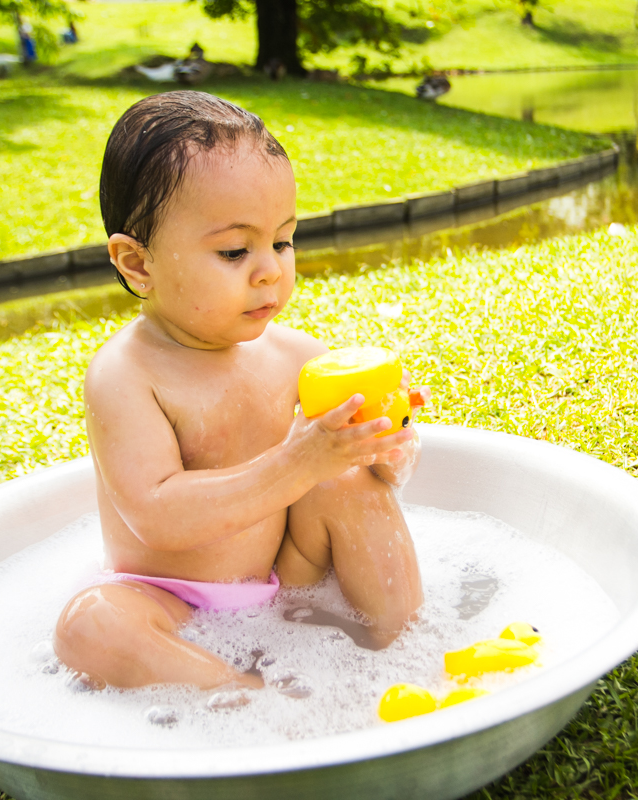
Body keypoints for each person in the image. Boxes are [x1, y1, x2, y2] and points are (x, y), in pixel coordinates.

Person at [53, 91, 428, 692]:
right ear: (138, 264)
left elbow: (367, 478)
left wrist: (383, 442)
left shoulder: (298, 356)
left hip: (286, 573)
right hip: (166, 599)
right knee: (89, 627)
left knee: (347, 483)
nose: (271, 269)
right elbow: (157, 516)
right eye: (234, 250)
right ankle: (240, 697)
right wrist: (295, 464)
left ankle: (405, 648)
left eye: (282, 241)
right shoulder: (126, 375)